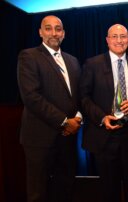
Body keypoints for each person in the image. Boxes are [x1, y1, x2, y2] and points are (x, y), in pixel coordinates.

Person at [17, 15, 82, 202]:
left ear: (64, 33)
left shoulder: (73, 61)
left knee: (65, 186)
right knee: (38, 192)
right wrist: (64, 121)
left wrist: (77, 117)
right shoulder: (29, 56)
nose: (54, 33)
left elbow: (78, 95)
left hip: (67, 137)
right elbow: (31, 97)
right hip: (39, 138)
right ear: (40, 32)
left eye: (58, 28)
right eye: (48, 28)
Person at [80, 24, 128, 202]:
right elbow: (84, 98)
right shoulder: (92, 64)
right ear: (107, 40)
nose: (119, 40)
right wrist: (102, 117)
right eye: (114, 36)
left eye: (123, 36)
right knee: (109, 190)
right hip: (103, 136)